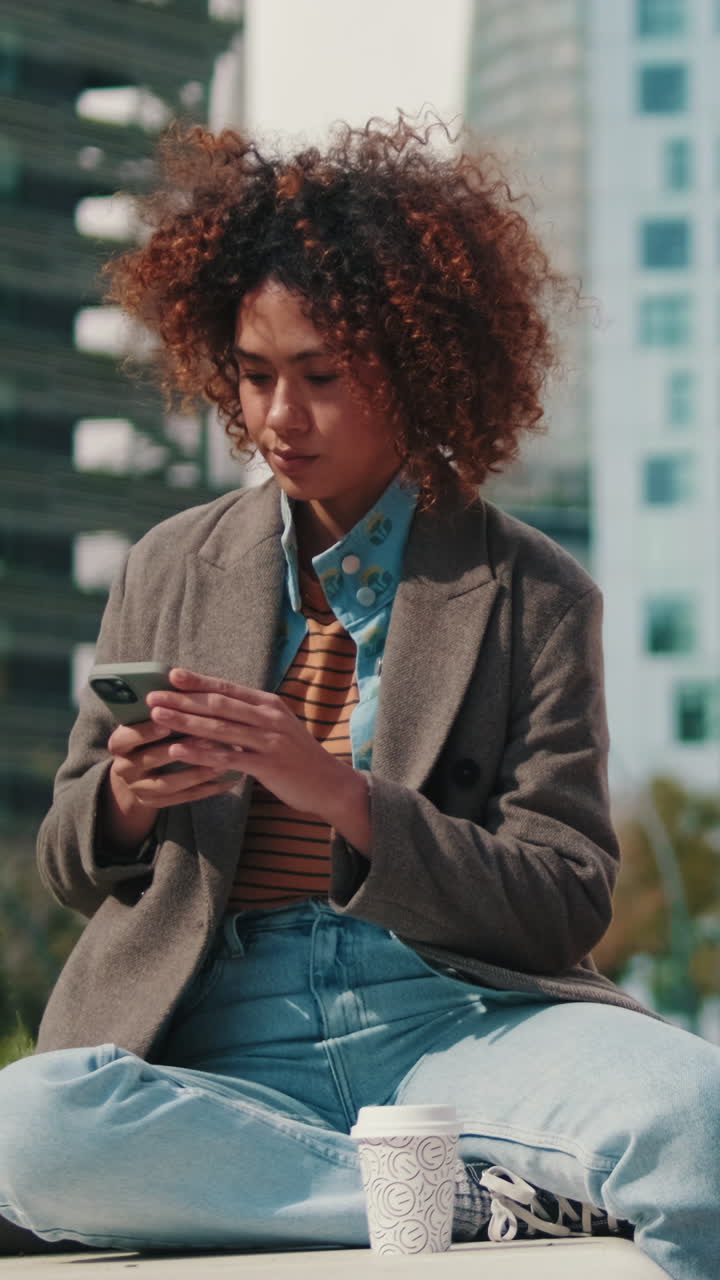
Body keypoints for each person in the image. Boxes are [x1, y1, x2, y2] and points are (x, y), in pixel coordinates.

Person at [0, 117, 717, 1277]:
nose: (281, 416)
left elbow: (565, 898)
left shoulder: (533, 590)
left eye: (323, 375)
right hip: (218, 1035)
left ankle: (374, 1179)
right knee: (25, 1128)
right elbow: (70, 861)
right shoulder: (168, 564)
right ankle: (457, 1200)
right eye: (255, 372)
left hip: (454, 1014)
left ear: (419, 363)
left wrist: (343, 795)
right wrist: (128, 798)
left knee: (700, 1119)